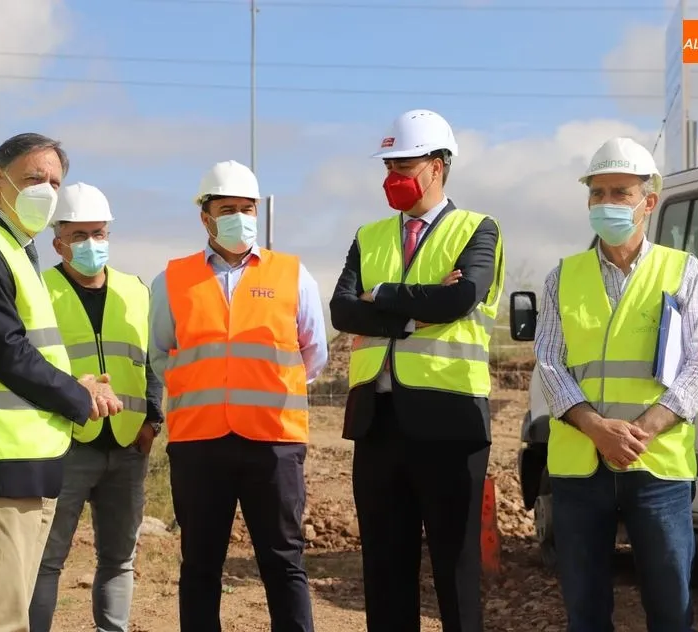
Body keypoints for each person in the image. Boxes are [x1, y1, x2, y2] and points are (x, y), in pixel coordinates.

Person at [0, 133, 123, 632]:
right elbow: (6, 352)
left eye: (55, 182)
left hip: (23, 459)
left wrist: (75, 383)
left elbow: (24, 349)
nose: (47, 191)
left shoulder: (16, 250)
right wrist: (77, 394)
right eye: (34, 178)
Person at [534, 137, 698, 632]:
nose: (606, 203)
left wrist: (642, 430)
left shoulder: (683, 271)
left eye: (620, 192)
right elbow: (549, 364)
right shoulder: (561, 277)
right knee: (586, 610)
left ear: (648, 202)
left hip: (656, 465)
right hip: (580, 466)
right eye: (597, 193)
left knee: (671, 606)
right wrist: (598, 429)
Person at [329, 109, 504, 632]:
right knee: (384, 570)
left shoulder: (478, 229)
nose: (392, 176)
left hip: (451, 423)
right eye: (388, 166)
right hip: (376, 422)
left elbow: (460, 299)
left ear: (437, 166)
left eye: (403, 165)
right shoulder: (369, 235)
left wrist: (380, 295)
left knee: (455, 567)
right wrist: (413, 313)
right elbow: (342, 311)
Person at [149, 160, 329, 632]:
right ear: (205, 217)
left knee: (283, 561)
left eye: (247, 208)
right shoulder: (171, 279)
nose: (239, 217)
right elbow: (161, 354)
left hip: (274, 442)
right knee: (200, 563)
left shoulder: (294, 275)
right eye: (227, 209)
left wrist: (268, 390)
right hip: (199, 443)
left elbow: (313, 354)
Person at [30, 182, 165, 632]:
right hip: (65, 445)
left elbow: (151, 361)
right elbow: (28, 364)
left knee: (120, 559)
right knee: (47, 560)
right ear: (58, 243)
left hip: (127, 446)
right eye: (80, 235)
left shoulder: (136, 290)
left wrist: (152, 420)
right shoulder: (38, 291)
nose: (92, 243)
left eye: (99, 233)